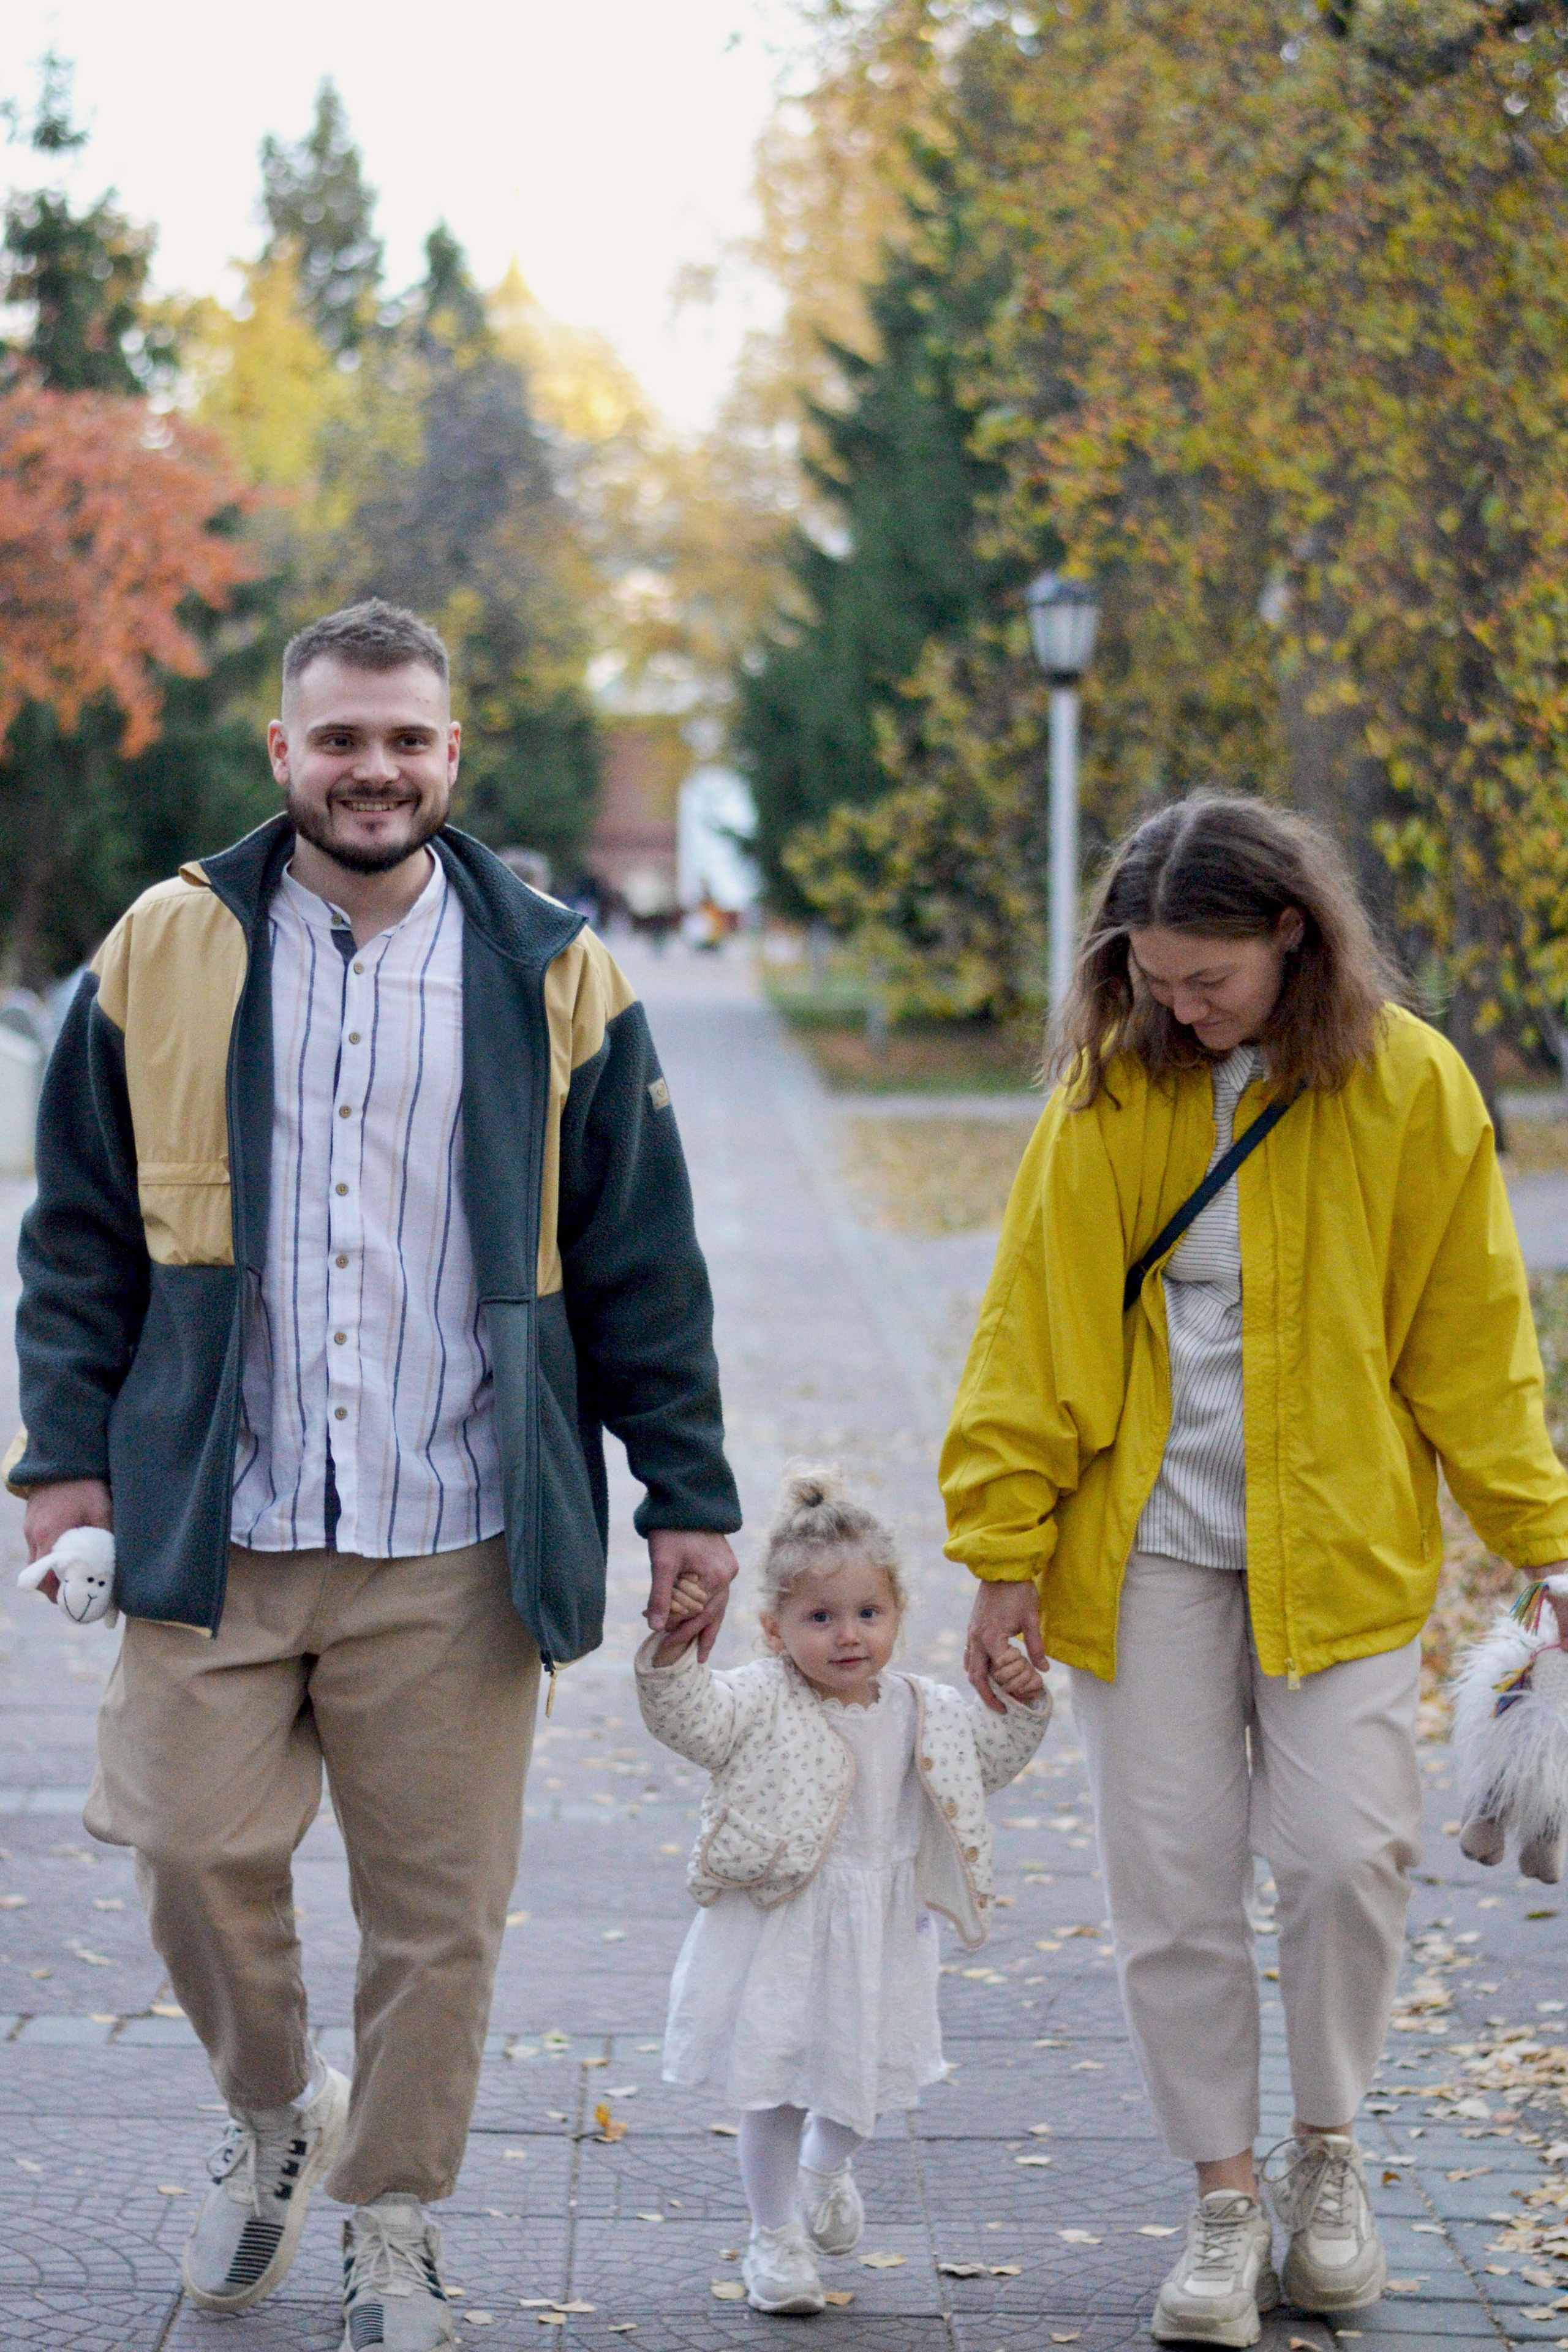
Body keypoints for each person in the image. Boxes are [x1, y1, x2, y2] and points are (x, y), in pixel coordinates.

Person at [7, 599, 742, 2351]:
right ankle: (276, 2118)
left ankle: (395, 2217)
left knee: (439, 1920)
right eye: (341, 737)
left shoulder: (554, 968)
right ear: (284, 753)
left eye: (407, 738)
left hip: (458, 1534)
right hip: (221, 1520)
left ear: (451, 757)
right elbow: (80, 1237)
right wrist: (60, 1465)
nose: (374, 768)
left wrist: (687, 1496)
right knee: (184, 1846)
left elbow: (644, 1250)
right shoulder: (164, 947)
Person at [941, 796, 1568, 2348]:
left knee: (1346, 1858)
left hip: (1340, 1546)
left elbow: (1470, 1346)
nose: (1177, 1002)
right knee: (1167, 1885)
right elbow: (1035, 1332)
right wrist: (1000, 1556)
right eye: (1151, 974)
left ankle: (1327, 2157)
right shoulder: (1107, 1096)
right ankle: (1223, 2198)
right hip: (1141, 1555)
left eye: (1204, 975)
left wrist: (1543, 1545)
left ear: (1291, 932)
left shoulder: (1410, 1087)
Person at [636, 1467, 1049, 2316]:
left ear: (898, 1613)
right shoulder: (755, 1701)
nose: (848, 1635)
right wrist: (675, 1653)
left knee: (861, 2091)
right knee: (776, 2084)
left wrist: (1023, 1707)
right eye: (820, 1618)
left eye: (868, 1613)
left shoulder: (923, 1708)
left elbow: (986, 1765)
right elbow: (690, 1720)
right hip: (784, 1923)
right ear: (776, 1629)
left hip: (880, 1930)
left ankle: (829, 2162)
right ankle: (775, 2236)